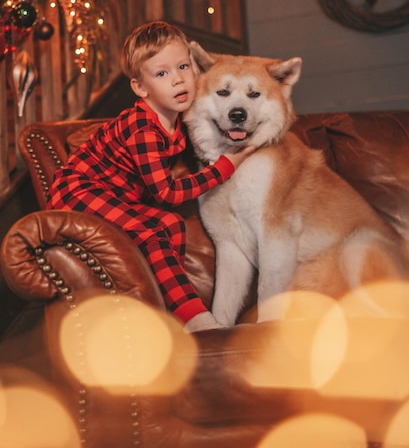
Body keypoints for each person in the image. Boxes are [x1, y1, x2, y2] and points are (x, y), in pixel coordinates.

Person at [46, 20, 254, 332]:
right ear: (141, 88)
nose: (178, 80)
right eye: (162, 73)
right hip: (78, 190)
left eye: (183, 66)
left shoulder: (177, 121)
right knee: (153, 231)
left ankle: (170, 314)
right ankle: (197, 321)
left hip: (114, 196)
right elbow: (166, 194)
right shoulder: (141, 125)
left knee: (170, 224)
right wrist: (224, 168)